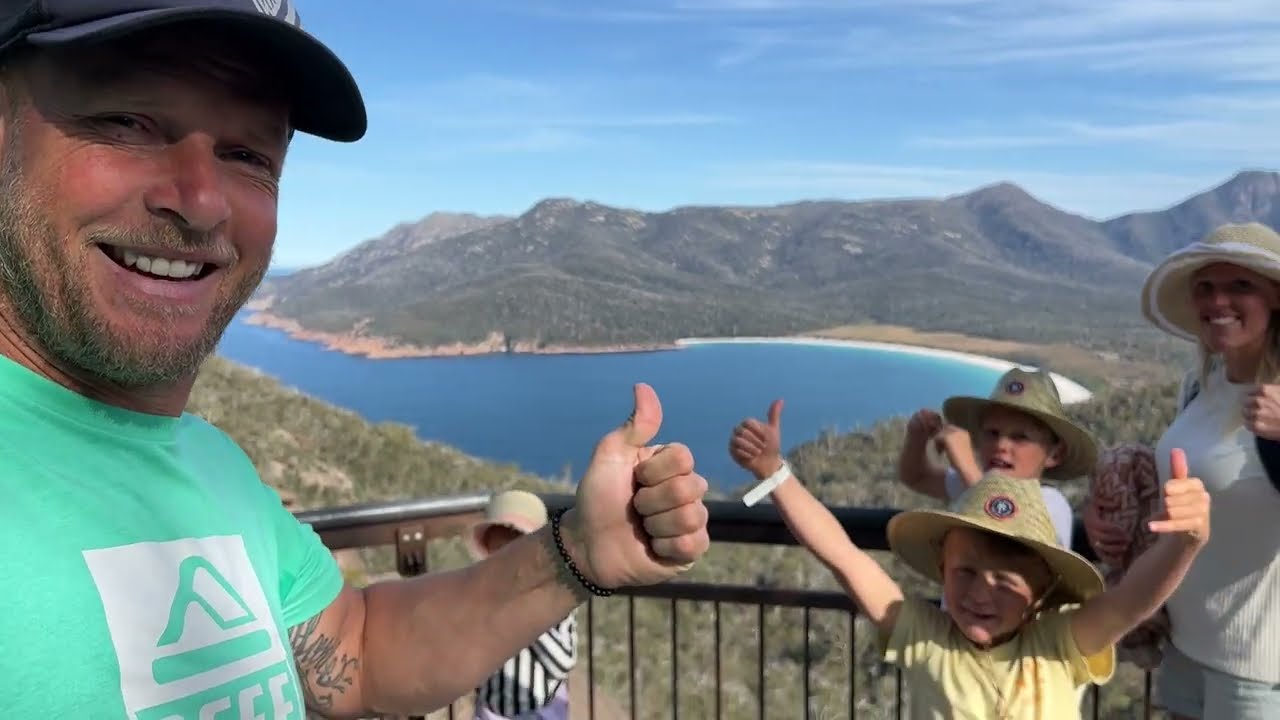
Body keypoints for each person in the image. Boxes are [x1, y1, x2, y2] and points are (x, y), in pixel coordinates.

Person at [0, 2, 711, 717]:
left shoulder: (212, 467)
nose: (202, 201)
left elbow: (357, 652)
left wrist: (575, 555)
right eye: (127, 121)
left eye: (248, 154)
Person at [729, 406, 1212, 718]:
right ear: (942, 569)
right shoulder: (923, 634)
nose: (981, 593)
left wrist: (1185, 542)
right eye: (966, 573)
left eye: (1006, 581)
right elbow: (842, 555)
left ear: (1042, 591)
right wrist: (776, 476)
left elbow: (1131, 603)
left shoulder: (1062, 641)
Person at [1086, 222, 1280, 719]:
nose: (1219, 300)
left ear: (1275, 298)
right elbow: (1190, 490)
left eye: (1241, 285)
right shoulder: (1200, 387)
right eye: (1206, 288)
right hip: (1185, 645)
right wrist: (1115, 523)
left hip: (1259, 669)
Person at [897, 367, 1097, 551]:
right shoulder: (975, 484)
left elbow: (1008, 537)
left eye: (1020, 437)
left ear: (1055, 454)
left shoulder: (1051, 504)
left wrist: (967, 468)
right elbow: (916, 477)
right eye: (992, 433)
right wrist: (917, 437)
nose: (1001, 445)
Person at [465, 491, 577, 720]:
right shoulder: (481, 593)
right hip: (490, 710)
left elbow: (562, 662)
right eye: (499, 552)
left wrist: (523, 613)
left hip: (537, 712)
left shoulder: (557, 597)